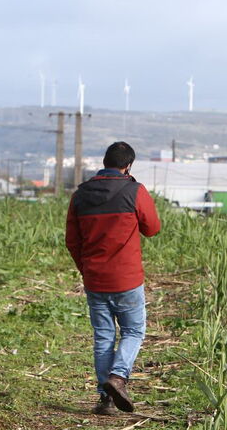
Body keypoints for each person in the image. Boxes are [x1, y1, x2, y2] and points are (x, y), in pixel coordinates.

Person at [65, 142, 161, 415]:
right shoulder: (134, 191)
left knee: (104, 337)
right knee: (133, 331)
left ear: (104, 162)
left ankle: (105, 399)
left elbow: (72, 241)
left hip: (95, 279)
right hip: (127, 279)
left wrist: (86, 269)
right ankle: (118, 378)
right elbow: (152, 228)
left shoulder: (80, 195)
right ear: (128, 165)